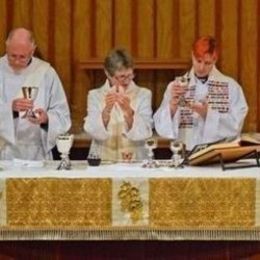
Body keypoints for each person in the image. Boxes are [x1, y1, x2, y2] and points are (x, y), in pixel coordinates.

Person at [154, 36, 248, 151]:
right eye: (198, 61)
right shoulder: (176, 86)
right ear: (192, 55)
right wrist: (172, 107)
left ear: (215, 60)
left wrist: (207, 114)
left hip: (218, 153)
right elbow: (161, 128)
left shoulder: (231, 87)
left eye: (207, 63)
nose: (201, 67)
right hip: (186, 152)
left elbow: (236, 125)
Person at [0, 28, 71, 160]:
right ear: (6, 46)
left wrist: (46, 119)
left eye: (22, 57)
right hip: (4, 151)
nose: (16, 61)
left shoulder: (46, 73)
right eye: (12, 56)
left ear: (32, 51)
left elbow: (62, 115)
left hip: (36, 153)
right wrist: (10, 109)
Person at [84, 48, 153, 161]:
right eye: (121, 77)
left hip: (135, 160)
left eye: (130, 75)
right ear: (107, 73)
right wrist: (106, 110)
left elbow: (145, 131)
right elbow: (91, 130)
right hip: (103, 160)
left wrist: (129, 112)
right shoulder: (95, 95)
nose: (127, 81)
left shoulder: (143, 94)